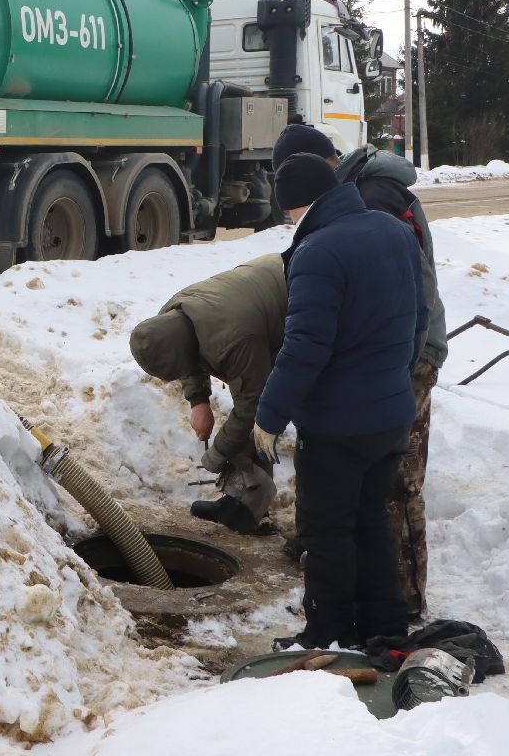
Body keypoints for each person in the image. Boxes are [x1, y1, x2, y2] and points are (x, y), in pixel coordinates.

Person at [254, 153, 427, 651]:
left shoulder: (318, 251)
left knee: (327, 532)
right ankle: (383, 625)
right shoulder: (392, 231)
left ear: (294, 205)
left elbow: (305, 348)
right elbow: (417, 318)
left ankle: (327, 631)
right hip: (391, 413)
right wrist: (393, 379)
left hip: (338, 427)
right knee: (372, 522)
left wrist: (269, 417)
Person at [129, 255, 286, 535]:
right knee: (245, 424)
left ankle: (248, 510)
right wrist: (198, 401)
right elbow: (187, 353)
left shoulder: (234, 339)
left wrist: (218, 452)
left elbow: (254, 406)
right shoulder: (172, 316)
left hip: (296, 301)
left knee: (263, 420)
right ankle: (242, 504)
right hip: (260, 296)